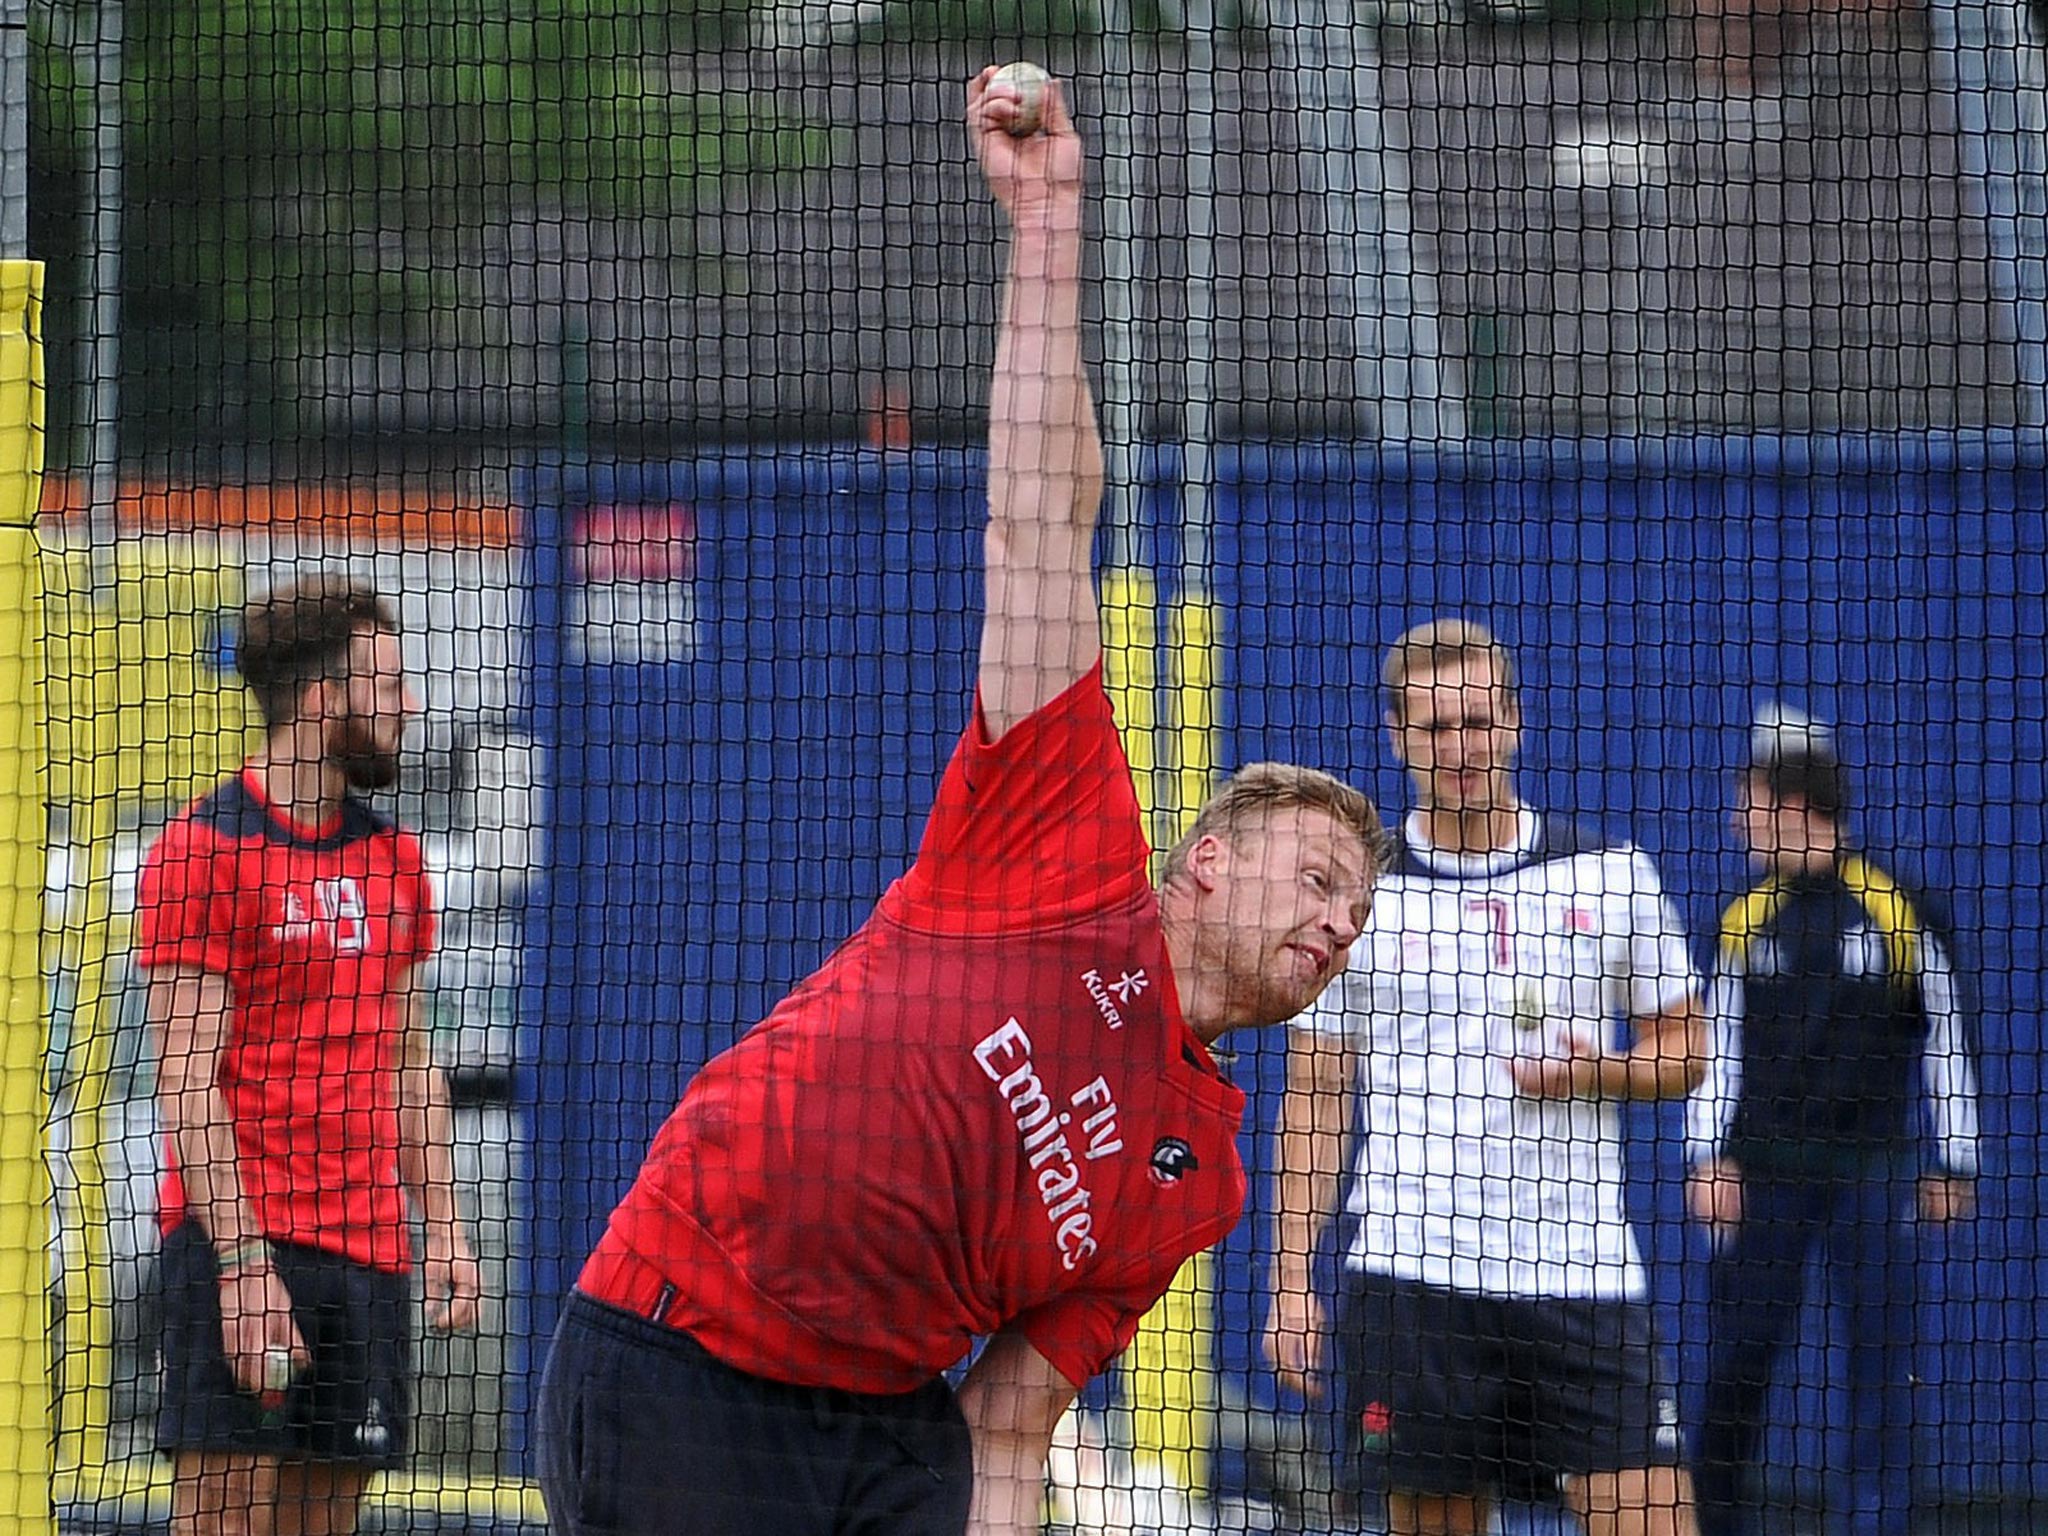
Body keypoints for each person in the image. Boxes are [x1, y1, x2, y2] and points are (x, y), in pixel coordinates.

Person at [532, 68, 1384, 1536]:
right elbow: (1044, 515)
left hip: (888, 1433)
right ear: (1201, 863)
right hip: (685, 1356)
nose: (1336, 919)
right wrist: (1049, 219)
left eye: (1356, 907)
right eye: (1313, 876)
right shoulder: (1061, 840)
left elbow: (1013, 1415)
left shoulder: (1204, 1176)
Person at [1265, 618, 1707, 1536]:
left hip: (1584, 1281)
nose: (1460, 750)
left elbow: (1688, 1050)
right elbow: (1316, 1095)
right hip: (1410, 1283)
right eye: (1434, 730)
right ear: (1396, 737)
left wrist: (1606, 1075)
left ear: (1513, 722)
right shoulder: (1360, 896)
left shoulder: (1612, 875)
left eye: (1477, 723)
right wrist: (1288, 1285)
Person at [136, 578, 482, 1536]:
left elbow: (412, 1061)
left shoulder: (398, 861)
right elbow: (185, 1079)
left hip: (367, 1253)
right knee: (224, 1522)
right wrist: (244, 1268)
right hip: (247, 1245)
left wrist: (443, 1226)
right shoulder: (201, 852)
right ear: (325, 698)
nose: (409, 706)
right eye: (389, 685)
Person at [1687, 705, 1980, 1536]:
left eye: (1745, 800)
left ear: (1789, 802)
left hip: (1875, 1176)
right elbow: (1720, 1049)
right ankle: (1715, 1521)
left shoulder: (1895, 909)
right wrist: (1709, 1158)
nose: (1735, 818)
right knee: (1738, 1363)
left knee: (1882, 1375)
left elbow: (1947, 1036)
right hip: (1766, 1176)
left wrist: (1954, 1161)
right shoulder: (1745, 916)